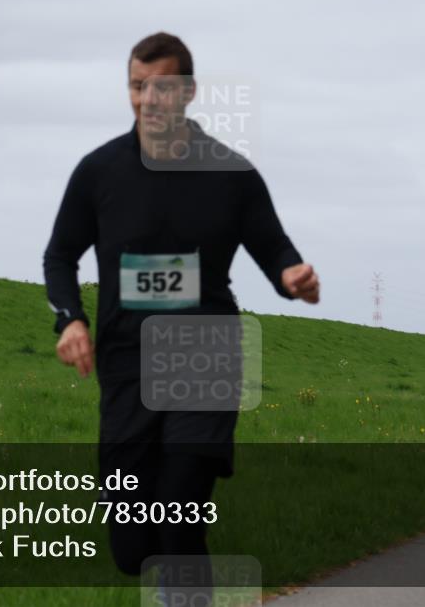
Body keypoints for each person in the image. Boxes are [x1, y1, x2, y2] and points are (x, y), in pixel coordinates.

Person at [43, 32, 319, 600]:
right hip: (126, 367)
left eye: (160, 88)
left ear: (188, 92)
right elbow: (60, 256)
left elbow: (274, 248)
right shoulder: (98, 173)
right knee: (132, 547)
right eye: (136, 87)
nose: (147, 100)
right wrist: (70, 319)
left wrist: (293, 276)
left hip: (204, 357)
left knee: (178, 520)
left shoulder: (230, 173)